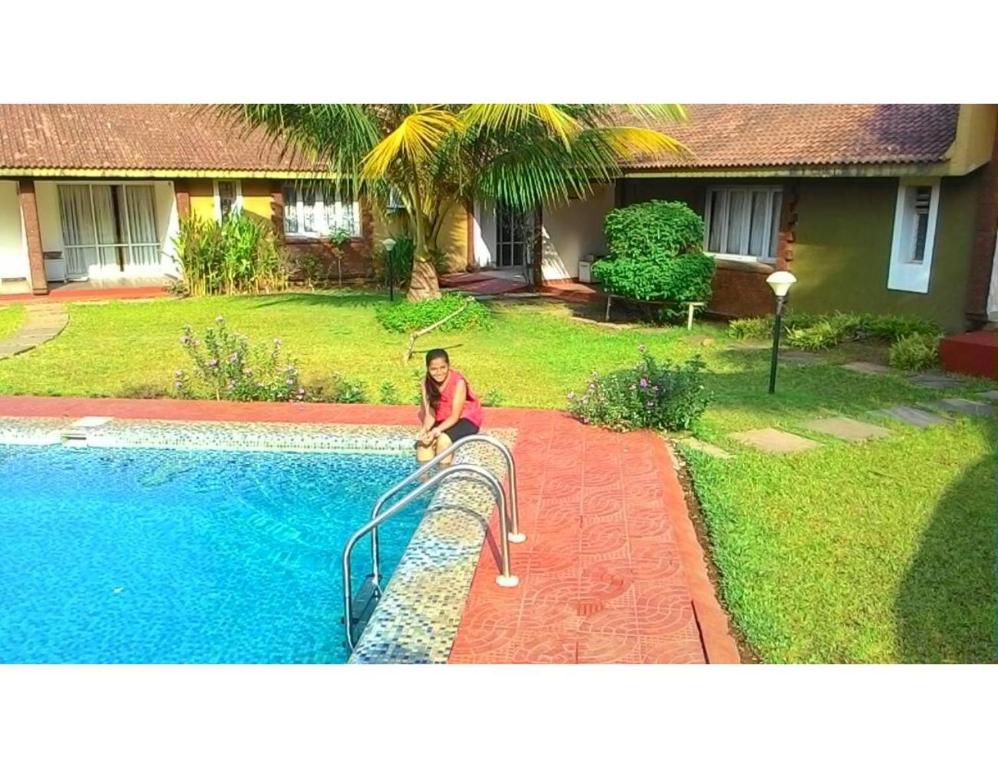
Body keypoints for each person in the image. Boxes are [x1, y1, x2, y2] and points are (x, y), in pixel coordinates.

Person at [415, 348, 483, 465]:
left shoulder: (458, 382)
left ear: (448, 366)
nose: (439, 372)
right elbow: (430, 414)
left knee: (443, 441)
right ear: (428, 368)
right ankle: (425, 476)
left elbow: (455, 416)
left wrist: (436, 430)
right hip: (442, 418)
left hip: (465, 419)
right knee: (422, 445)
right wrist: (425, 430)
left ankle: (443, 473)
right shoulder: (425, 383)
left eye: (443, 367)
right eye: (433, 369)